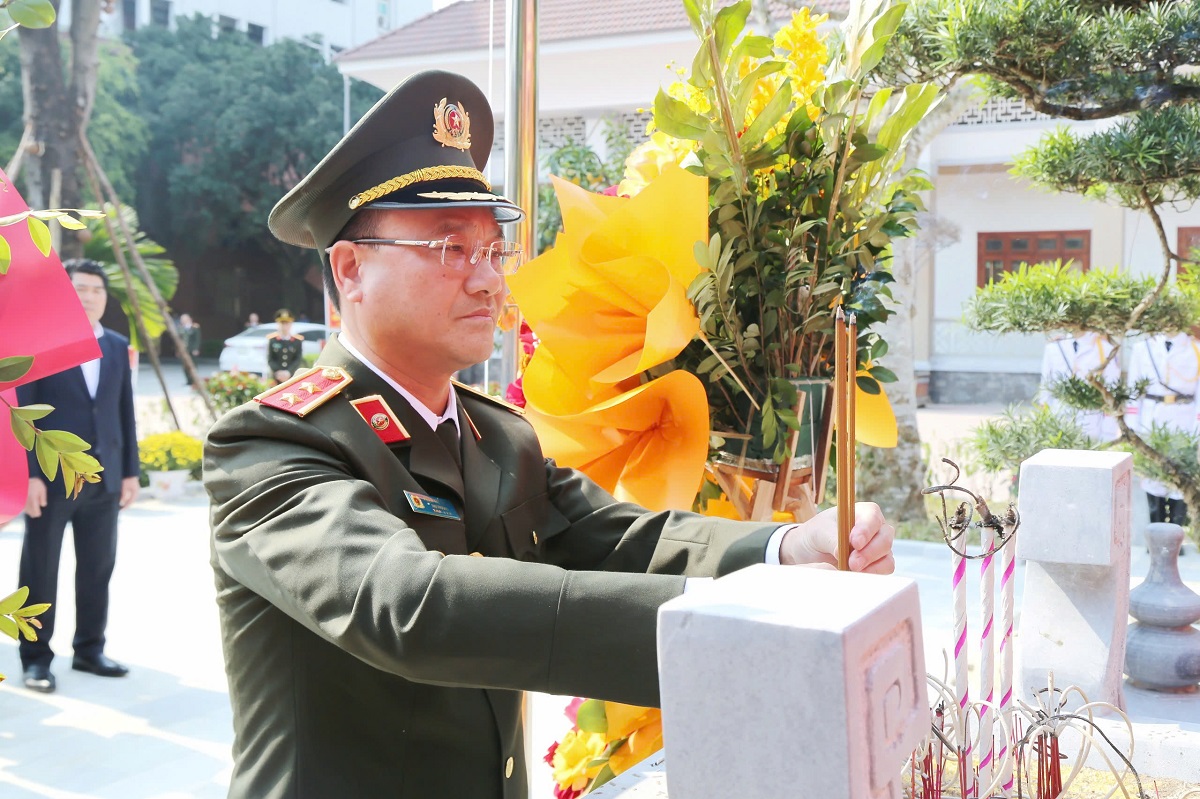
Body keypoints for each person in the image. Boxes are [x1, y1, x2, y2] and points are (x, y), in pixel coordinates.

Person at [203, 70, 895, 799]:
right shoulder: (271, 446)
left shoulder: (496, 434)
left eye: (492, 251)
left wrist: (784, 551)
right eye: (449, 249)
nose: (486, 282)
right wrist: (725, 620)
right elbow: (412, 606)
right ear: (350, 269)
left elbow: (627, 540)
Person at [16, 258, 140, 694]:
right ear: (64, 294)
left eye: (96, 290)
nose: (89, 296)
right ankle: (35, 659)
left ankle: (90, 649)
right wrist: (30, 475)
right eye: (80, 289)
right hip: (51, 480)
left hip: (103, 480)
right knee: (40, 568)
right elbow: (23, 415)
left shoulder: (117, 346)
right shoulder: (41, 344)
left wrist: (130, 473)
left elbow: (123, 413)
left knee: (97, 568)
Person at [1127, 331, 1200, 526]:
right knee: (1152, 474)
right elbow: (1133, 391)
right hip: (1151, 416)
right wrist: (1132, 426)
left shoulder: (1196, 348)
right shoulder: (1143, 348)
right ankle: (1155, 531)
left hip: (1183, 417)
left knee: (1181, 474)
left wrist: (1197, 425)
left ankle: (1175, 533)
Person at [1036, 331, 1120, 441]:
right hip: (1060, 414)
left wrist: (1109, 431)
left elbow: (1112, 389)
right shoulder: (1054, 347)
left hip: (1091, 417)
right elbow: (1046, 388)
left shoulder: (1104, 349)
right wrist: (1044, 420)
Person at [265, 308, 304, 382]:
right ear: (278, 324)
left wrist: (288, 372)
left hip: (291, 377)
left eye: (287, 323)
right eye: (282, 323)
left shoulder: (297, 341)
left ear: (291, 324)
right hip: (275, 377)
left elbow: (298, 359)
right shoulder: (272, 340)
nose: (284, 326)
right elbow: (270, 359)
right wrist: (278, 372)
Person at [178, 313, 202, 386]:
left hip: (192, 350)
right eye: (182, 319)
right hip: (184, 350)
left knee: (193, 365)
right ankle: (188, 380)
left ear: (189, 319)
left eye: (184, 319)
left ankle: (194, 380)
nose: (182, 321)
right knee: (185, 366)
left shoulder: (195, 327)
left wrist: (196, 349)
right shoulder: (180, 328)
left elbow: (197, 339)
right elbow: (179, 340)